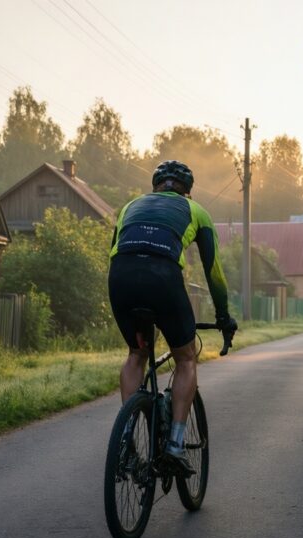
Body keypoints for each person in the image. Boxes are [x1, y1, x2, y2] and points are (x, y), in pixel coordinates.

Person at [108, 160, 237, 475]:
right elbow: (214, 273)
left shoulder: (130, 206)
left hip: (121, 277)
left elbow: (117, 250)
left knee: (137, 354)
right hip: (162, 278)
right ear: (188, 192)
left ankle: (126, 443)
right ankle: (175, 446)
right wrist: (223, 317)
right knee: (186, 358)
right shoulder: (197, 212)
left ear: (155, 187)